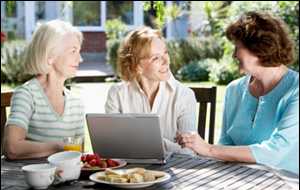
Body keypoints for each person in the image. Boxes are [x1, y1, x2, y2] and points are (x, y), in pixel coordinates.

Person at [177, 11, 299, 175]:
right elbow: (225, 144)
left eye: (238, 47)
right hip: (238, 181)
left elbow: (276, 152)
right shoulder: (233, 89)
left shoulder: (295, 89)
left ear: (260, 49)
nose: (234, 54)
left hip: (286, 186)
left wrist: (209, 149)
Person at [105, 26, 197, 154]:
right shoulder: (117, 94)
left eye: (165, 52)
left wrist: (151, 143)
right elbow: (112, 147)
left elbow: (189, 151)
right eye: (156, 58)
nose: (166, 61)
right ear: (137, 66)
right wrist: (169, 146)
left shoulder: (184, 95)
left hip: (175, 171)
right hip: (130, 172)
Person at [4, 20, 85, 160]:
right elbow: (12, 148)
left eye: (79, 51)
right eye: (73, 51)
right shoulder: (27, 95)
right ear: (50, 56)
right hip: (27, 180)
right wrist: (57, 147)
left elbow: (78, 155)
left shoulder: (76, 103)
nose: (80, 59)